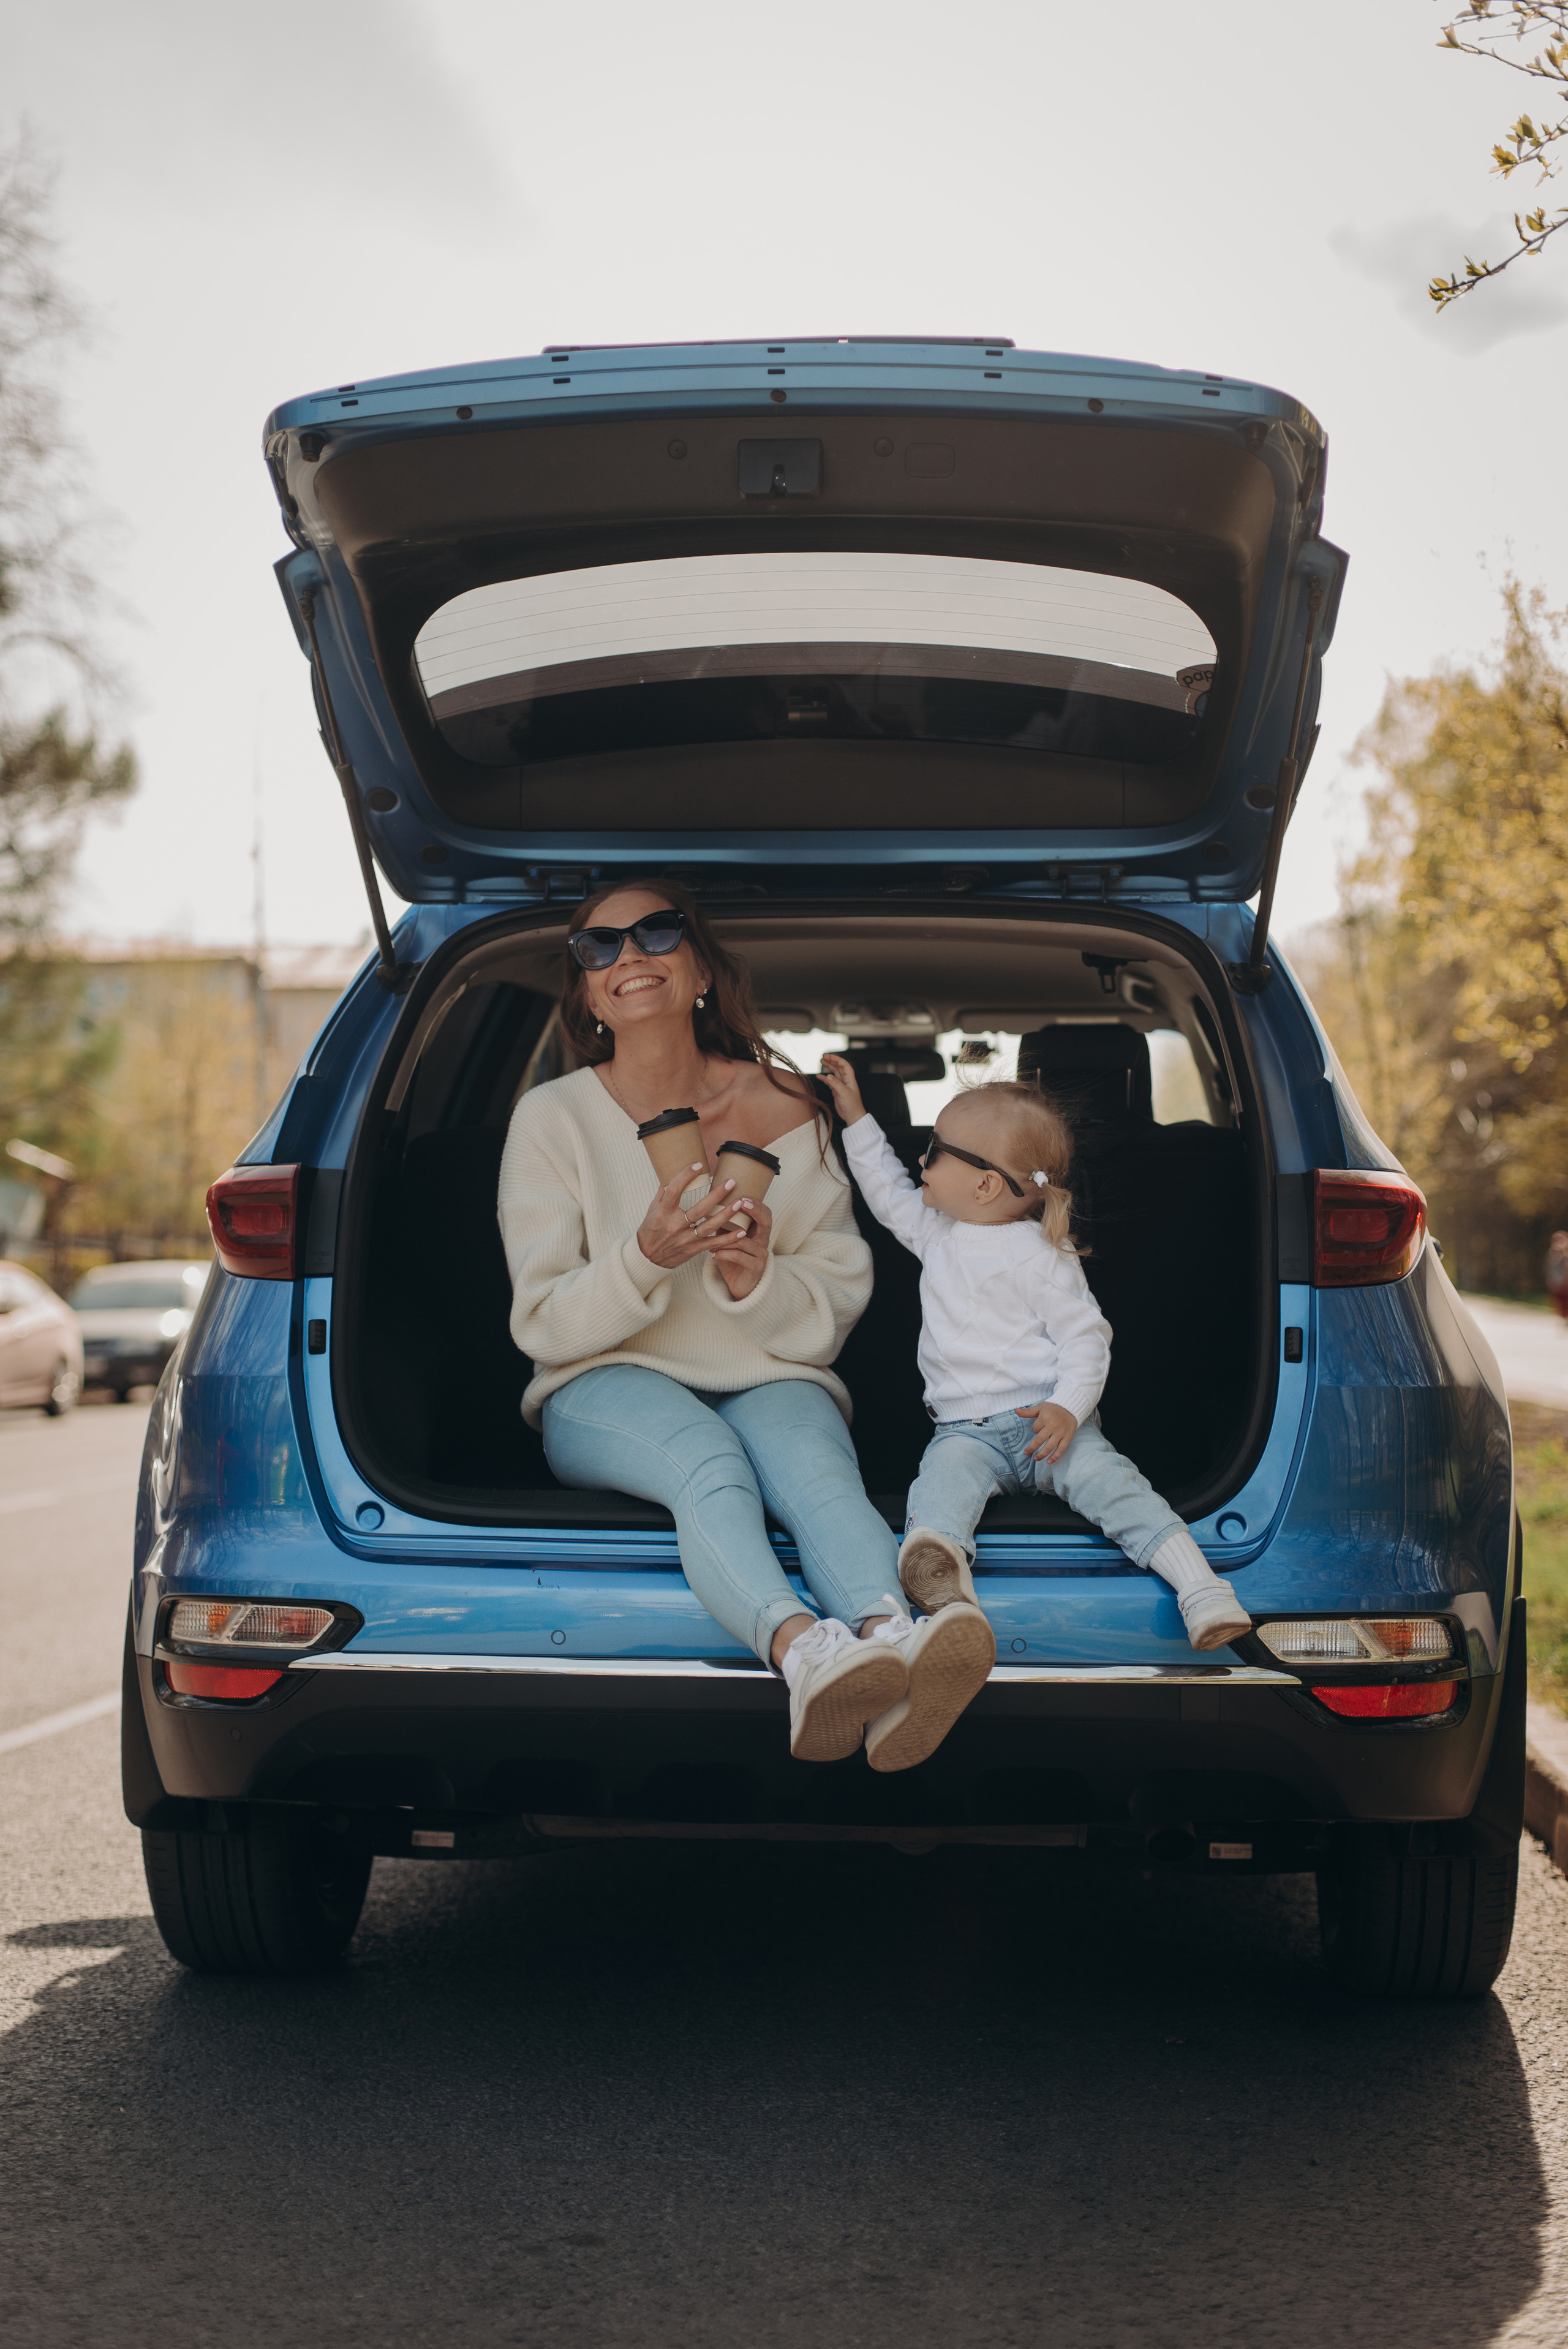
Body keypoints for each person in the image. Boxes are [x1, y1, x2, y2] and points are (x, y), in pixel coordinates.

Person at [497, 879, 987, 1772]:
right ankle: (809, 1655)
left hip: (769, 1366)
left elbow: (840, 1290)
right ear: (588, 995)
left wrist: (759, 1274)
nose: (627, 955)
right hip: (598, 1377)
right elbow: (543, 1320)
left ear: (701, 972)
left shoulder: (792, 1108)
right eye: (598, 947)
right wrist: (646, 1255)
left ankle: (895, 1642)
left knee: (822, 1477)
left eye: (653, 932)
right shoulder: (552, 1118)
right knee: (711, 1467)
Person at [818, 1055, 1254, 1739]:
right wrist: (855, 1118)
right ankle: (946, 1585)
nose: (920, 1161)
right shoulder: (938, 1237)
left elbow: (1087, 1339)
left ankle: (1202, 1590)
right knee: (939, 1486)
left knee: (1117, 1489)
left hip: (1046, 1426)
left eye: (932, 1151)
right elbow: (883, 1189)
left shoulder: (1038, 1256)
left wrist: (1067, 1409)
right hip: (964, 1431)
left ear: (987, 1185)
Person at [1547, 1232, 1568, 1323]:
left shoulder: (1566, 1254)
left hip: (1565, 1282)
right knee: (1560, 1302)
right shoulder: (1552, 1254)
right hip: (1557, 1282)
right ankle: (1564, 1317)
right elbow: (1550, 1270)